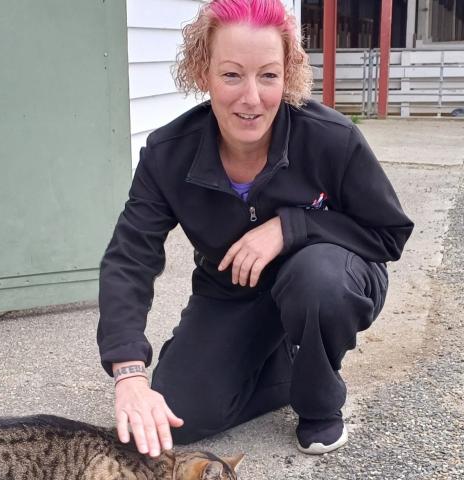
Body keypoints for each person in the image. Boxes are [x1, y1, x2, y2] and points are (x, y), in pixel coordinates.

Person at [97, 0, 413, 458]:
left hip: (326, 280)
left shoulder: (332, 138)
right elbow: (130, 257)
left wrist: (292, 226)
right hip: (231, 292)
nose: (252, 97)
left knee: (317, 280)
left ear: (288, 75)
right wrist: (128, 372)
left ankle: (318, 400)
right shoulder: (167, 153)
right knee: (180, 416)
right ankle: (288, 360)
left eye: (268, 75)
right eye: (231, 75)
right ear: (202, 71)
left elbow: (389, 234)